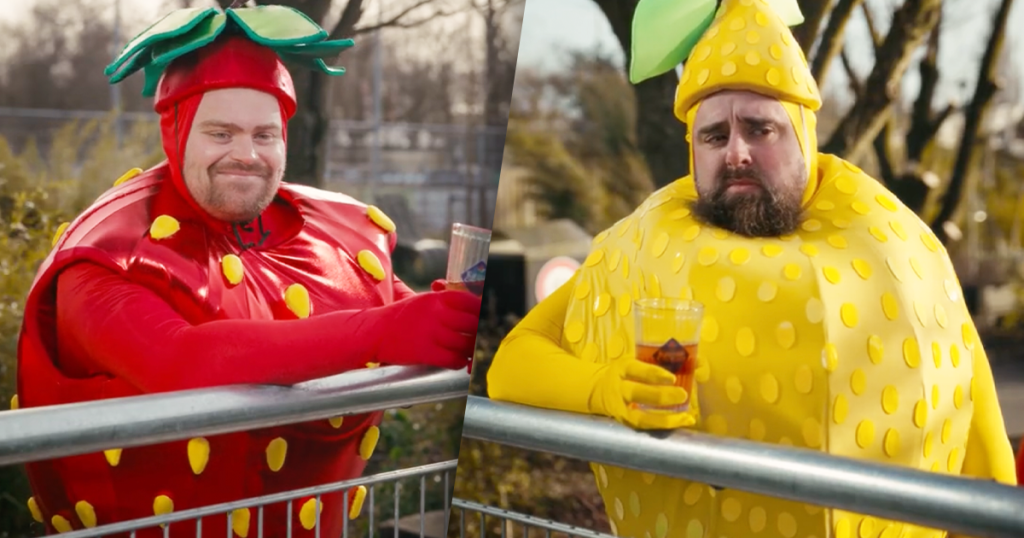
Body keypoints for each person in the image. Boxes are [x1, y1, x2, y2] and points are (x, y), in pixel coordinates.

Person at [486, 0, 1016, 537]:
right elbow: (511, 364)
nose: (736, 153)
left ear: (803, 135)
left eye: (761, 129)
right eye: (715, 136)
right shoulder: (638, 244)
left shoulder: (903, 249)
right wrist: (603, 388)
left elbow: (977, 434)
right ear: (693, 150)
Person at [14, 5, 480, 538]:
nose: (247, 154)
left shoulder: (341, 234)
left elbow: (405, 313)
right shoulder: (105, 256)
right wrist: (382, 332)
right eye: (220, 133)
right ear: (174, 130)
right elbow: (179, 360)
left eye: (265, 134)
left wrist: (448, 317)